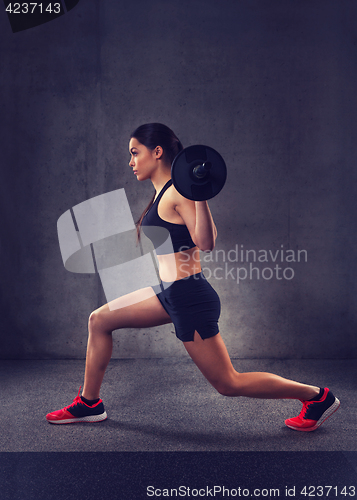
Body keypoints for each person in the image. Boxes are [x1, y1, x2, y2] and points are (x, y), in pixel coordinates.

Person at [46, 123, 340, 431]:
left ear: (157, 152)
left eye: (135, 153)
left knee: (228, 383)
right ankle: (89, 403)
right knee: (99, 320)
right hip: (167, 292)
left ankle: (316, 396)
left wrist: (199, 192)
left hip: (188, 297)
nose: (130, 162)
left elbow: (207, 241)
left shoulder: (178, 191)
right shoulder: (165, 191)